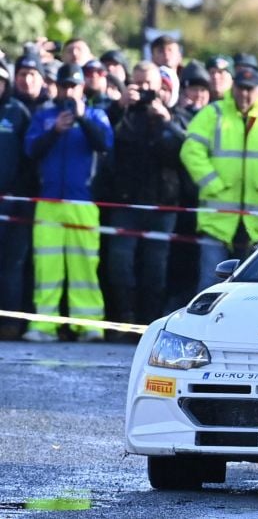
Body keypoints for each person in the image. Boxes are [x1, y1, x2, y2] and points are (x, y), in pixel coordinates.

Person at [22, 63, 113, 342]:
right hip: (48, 202)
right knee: (47, 269)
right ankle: (44, 326)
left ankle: (88, 325)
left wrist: (82, 119)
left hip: (82, 203)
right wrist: (55, 131)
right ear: (57, 87)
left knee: (84, 267)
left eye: (73, 86)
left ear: (82, 88)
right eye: (64, 86)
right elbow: (31, 150)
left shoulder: (97, 115)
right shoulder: (44, 115)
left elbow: (104, 145)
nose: (68, 91)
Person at [180, 66, 258, 291]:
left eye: (249, 89)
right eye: (240, 88)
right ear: (234, 87)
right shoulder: (213, 113)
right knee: (210, 284)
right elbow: (191, 150)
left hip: (254, 221)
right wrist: (212, 183)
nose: (244, 94)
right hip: (217, 220)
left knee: (248, 289)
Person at [98, 61, 187, 333]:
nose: (145, 90)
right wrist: (118, 107)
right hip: (126, 200)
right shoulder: (121, 113)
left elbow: (184, 150)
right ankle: (125, 315)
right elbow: (101, 139)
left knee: (155, 267)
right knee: (119, 262)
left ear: (161, 85)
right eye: (138, 84)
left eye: (149, 84)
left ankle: (148, 323)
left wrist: (166, 121)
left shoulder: (174, 115)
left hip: (163, 204)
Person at [0, 60, 32, 340]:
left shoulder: (17, 112)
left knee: (11, 265)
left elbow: (29, 157)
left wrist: (16, 191)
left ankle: (10, 323)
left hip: (14, 202)